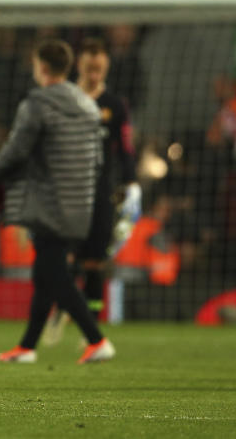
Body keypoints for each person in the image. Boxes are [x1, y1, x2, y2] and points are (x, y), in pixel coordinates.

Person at [0, 39, 116, 365]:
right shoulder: (87, 105)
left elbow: (16, 151)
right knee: (45, 275)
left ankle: (96, 339)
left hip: (46, 203)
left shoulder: (37, 104)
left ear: (41, 67)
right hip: (80, 204)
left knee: (54, 275)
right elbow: (98, 160)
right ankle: (27, 346)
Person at [74, 38, 139, 319]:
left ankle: (92, 323)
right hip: (67, 189)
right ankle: (59, 313)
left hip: (101, 190)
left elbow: (124, 147)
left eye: (98, 69)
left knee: (95, 260)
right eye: (89, 68)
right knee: (64, 257)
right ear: (80, 65)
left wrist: (132, 183)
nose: (93, 74)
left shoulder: (114, 104)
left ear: (106, 68)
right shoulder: (66, 98)